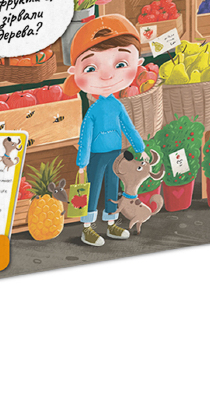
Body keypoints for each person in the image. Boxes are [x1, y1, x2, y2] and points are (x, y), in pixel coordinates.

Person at [67, 15, 146, 248]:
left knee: (113, 187)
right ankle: (87, 228)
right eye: (91, 68)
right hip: (95, 156)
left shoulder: (117, 105)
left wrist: (140, 147)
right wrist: (82, 162)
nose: (106, 75)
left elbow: (128, 128)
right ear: (74, 73)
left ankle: (111, 223)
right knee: (91, 191)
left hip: (116, 154)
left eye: (120, 64)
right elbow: (86, 137)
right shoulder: (92, 111)